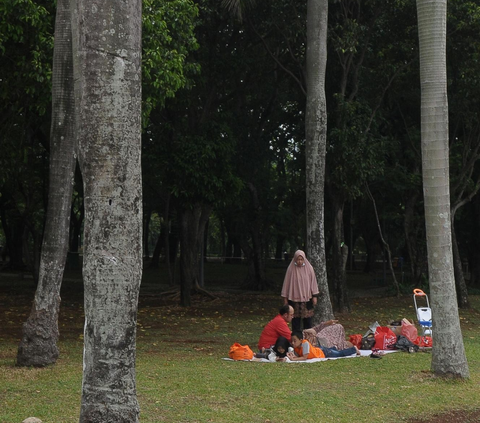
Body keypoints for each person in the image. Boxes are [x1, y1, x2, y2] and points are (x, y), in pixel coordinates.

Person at [281, 250, 319, 332]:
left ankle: (307, 340)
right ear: (295, 259)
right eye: (298, 259)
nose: (299, 261)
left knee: (308, 321)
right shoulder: (291, 269)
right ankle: (296, 339)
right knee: (295, 320)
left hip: (306, 299)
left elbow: (313, 282)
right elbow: (286, 283)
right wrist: (285, 298)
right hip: (294, 299)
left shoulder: (309, 268)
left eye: (301, 259)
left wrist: (314, 296)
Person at [287, 331, 359, 361]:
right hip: (319, 349)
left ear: (301, 340)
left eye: (295, 341)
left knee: (339, 354)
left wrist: (294, 359)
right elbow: (298, 356)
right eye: (292, 341)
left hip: (323, 352)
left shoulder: (305, 343)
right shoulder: (296, 348)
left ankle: (354, 349)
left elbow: (304, 357)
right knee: (334, 351)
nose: (293, 343)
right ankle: (334, 349)